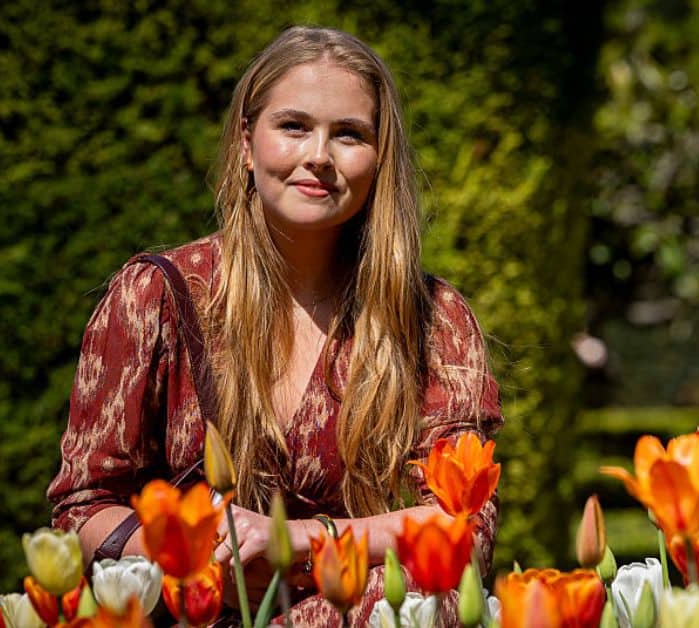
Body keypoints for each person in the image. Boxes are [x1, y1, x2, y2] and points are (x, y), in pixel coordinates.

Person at [46, 26, 502, 626]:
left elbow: (464, 528)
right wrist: (201, 554)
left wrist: (297, 540)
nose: (319, 155)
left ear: (379, 158)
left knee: (427, 591)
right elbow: (84, 505)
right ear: (246, 142)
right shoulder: (156, 297)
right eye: (294, 126)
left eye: (349, 134)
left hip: (359, 611)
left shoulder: (432, 319)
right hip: (198, 609)